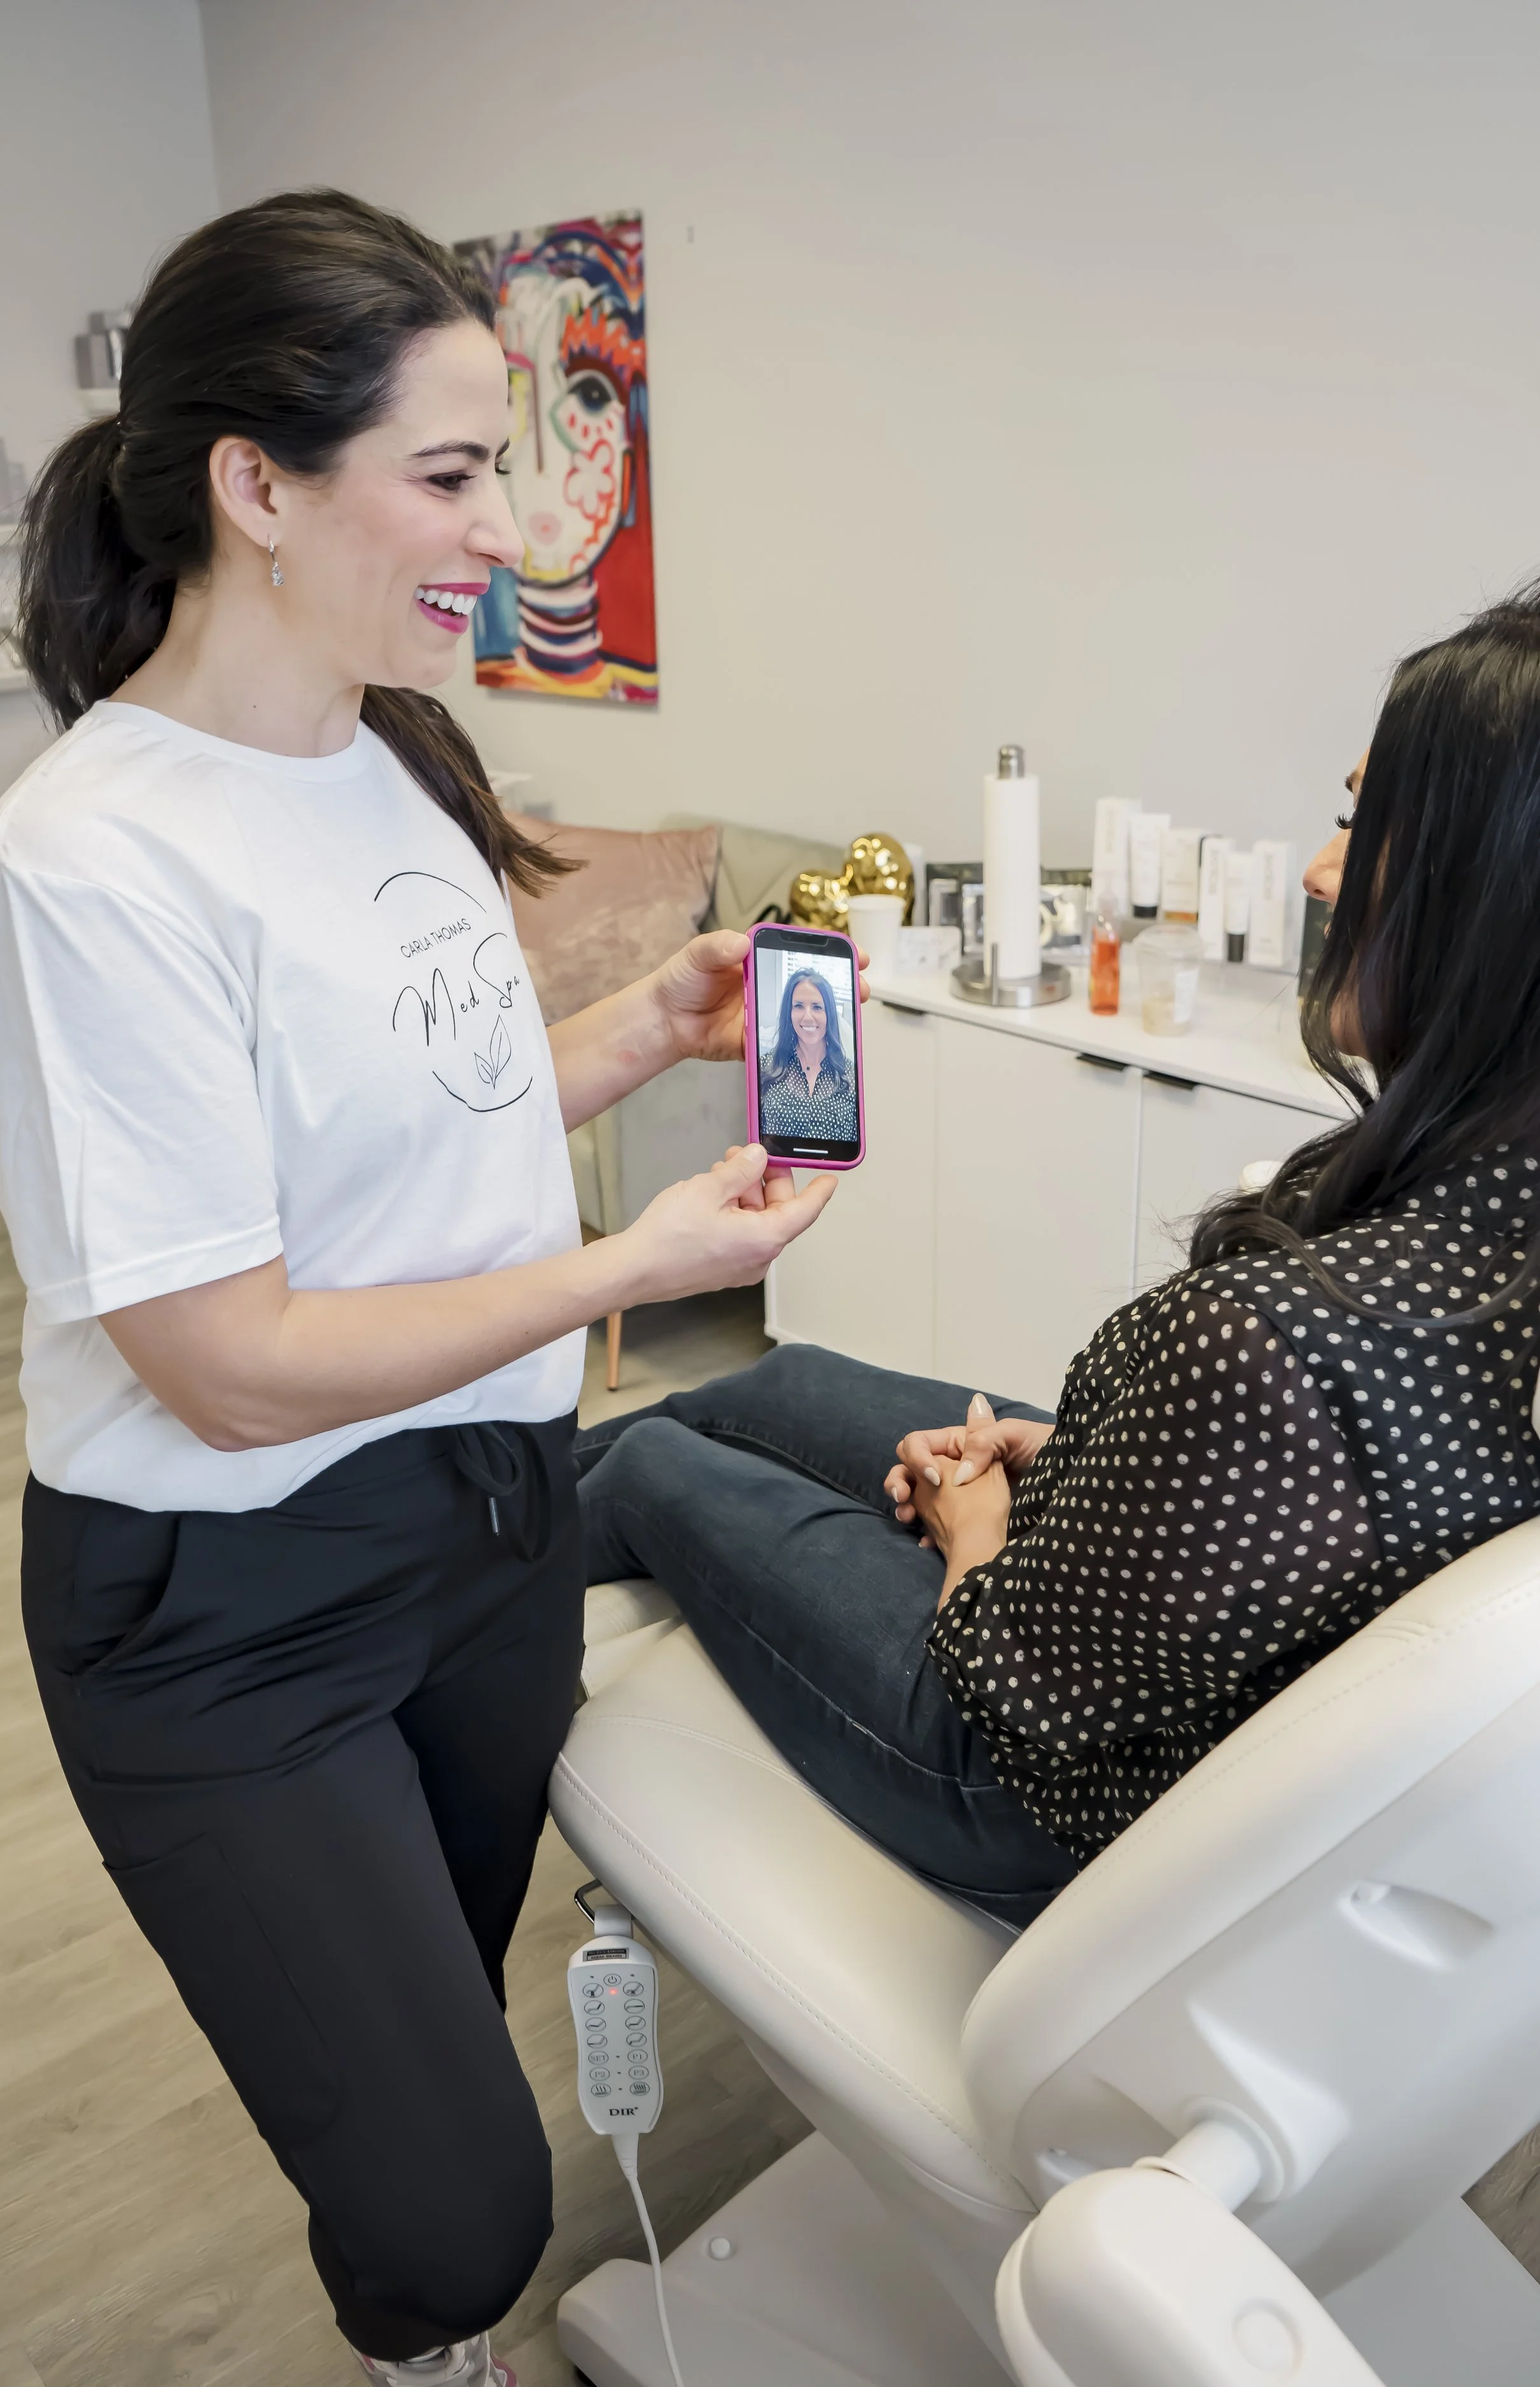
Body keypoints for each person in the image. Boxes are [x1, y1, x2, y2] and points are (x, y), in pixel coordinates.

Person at [0, 190, 844, 2387]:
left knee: (426, 2032)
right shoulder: (84, 872)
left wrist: (633, 1036)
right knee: (461, 2200)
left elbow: (410, 1134)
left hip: (483, 1517)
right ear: (257, 486)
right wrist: (629, 1263)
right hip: (238, 1602)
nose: (513, 526)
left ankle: (405, 2337)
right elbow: (236, 1369)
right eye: (451, 475)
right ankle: (424, 2332)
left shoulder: (385, 757)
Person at [579, 589, 1540, 1927]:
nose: (1320, 870)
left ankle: (405, 1621)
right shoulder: (1487, 1227)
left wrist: (978, 1531)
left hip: (1026, 1783)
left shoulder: (1281, 1341)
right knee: (755, 1394)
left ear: (1487, 899)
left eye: (1361, 825)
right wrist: (1087, 1459)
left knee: (647, 1456)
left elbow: (1006, 1694)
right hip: (1184, 1647)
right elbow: (1313, 1530)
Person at [758, 966, 858, 1143]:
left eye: (817, 1007)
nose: (808, 1017)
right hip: (777, 1169)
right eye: (798, 1006)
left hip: (836, 1170)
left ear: (830, 1015)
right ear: (789, 1013)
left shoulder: (852, 1075)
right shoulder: (765, 1067)